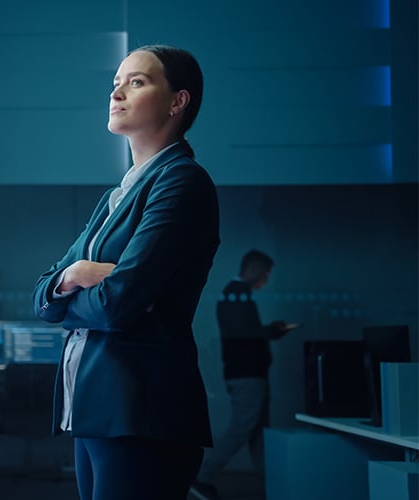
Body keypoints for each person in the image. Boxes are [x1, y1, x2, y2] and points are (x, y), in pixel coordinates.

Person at [32, 45, 219, 500]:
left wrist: (70, 293)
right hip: (96, 413)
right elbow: (42, 297)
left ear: (178, 101)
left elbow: (118, 304)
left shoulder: (181, 181)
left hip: (142, 414)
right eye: (116, 82)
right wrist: (73, 275)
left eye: (137, 82)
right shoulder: (116, 196)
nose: (117, 92)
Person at [189, 250, 299, 500]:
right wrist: (272, 330)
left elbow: (245, 332)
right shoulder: (235, 294)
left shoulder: (236, 294)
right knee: (242, 428)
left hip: (250, 374)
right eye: (265, 273)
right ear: (255, 270)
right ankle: (202, 475)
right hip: (246, 374)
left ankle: (270, 483)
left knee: (258, 433)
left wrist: (269, 331)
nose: (267, 279)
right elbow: (245, 333)